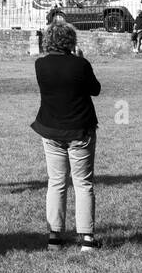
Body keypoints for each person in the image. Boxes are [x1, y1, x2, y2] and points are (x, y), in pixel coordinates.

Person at [32, 19, 102, 251]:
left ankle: (54, 237)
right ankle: (87, 239)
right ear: (70, 41)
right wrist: (80, 59)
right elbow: (95, 89)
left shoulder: (40, 65)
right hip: (79, 128)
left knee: (56, 182)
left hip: (51, 128)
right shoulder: (80, 65)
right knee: (82, 183)